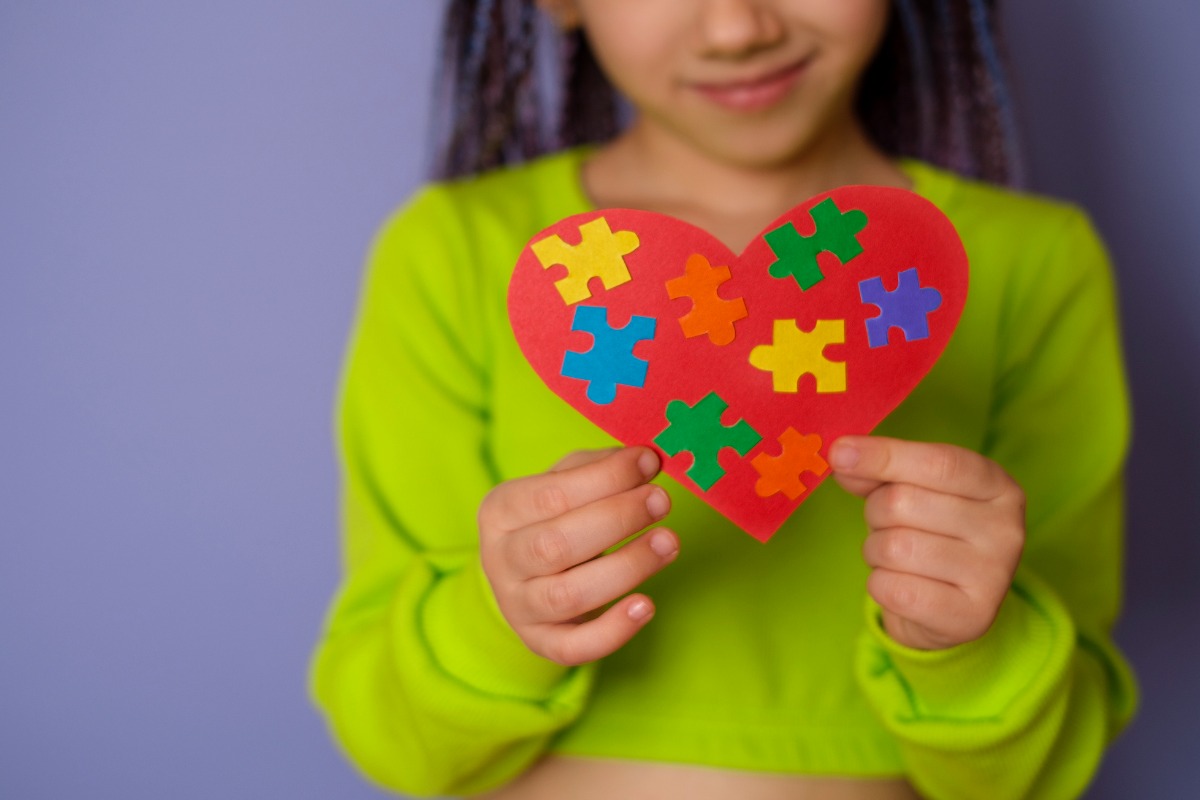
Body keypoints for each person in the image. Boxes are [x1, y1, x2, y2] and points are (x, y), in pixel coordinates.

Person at [310, 1, 1137, 798]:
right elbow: (393, 741)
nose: (738, 28)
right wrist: (502, 618)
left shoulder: (1029, 265)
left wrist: (969, 648)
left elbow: (1050, 765)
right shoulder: (452, 255)